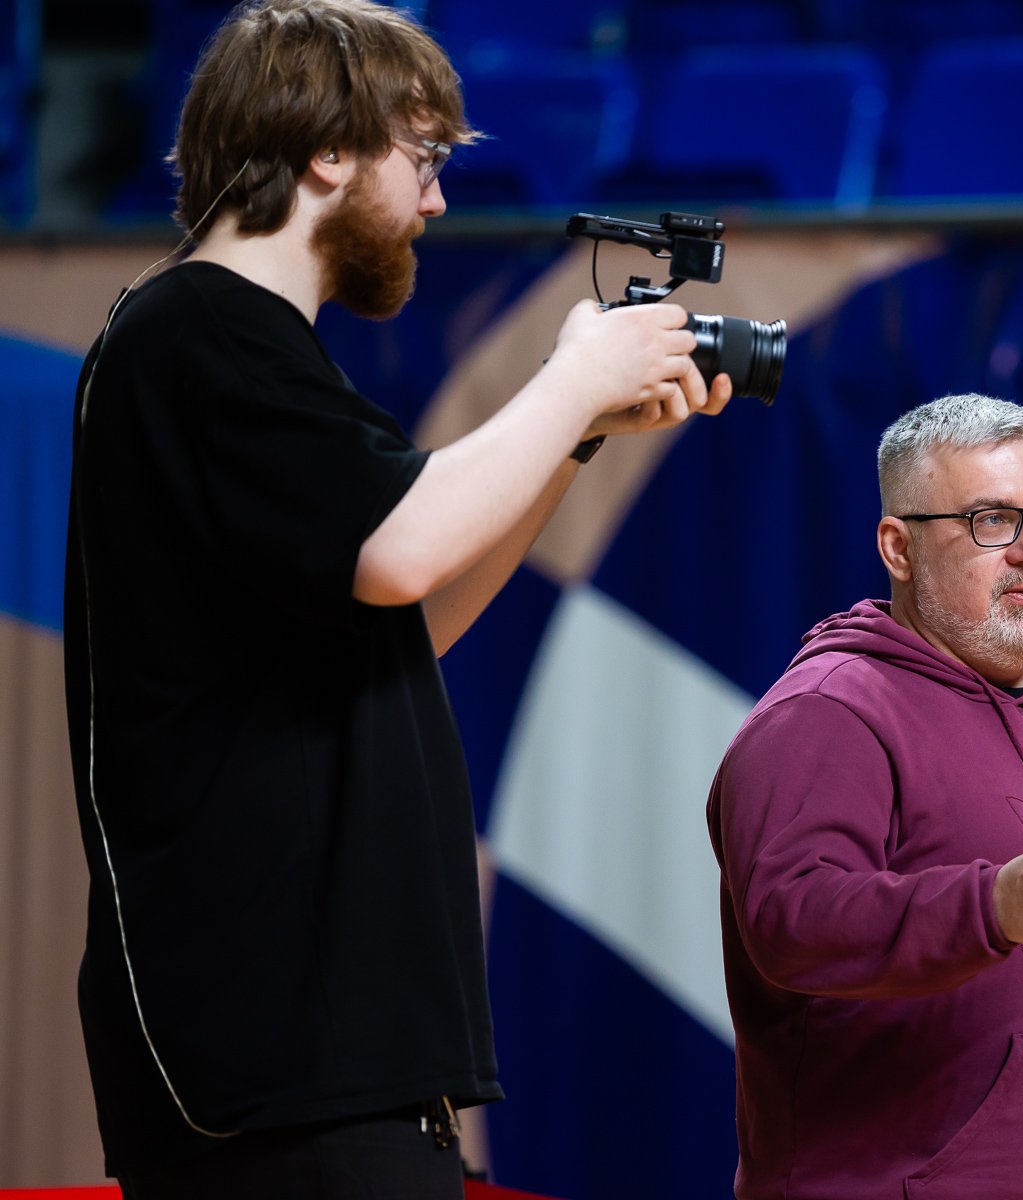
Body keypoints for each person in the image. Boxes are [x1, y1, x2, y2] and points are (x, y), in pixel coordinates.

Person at [62, 1, 730, 1194]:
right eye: (422, 158)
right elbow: (399, 551)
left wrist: (575, 432)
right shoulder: (200, 330)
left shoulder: (239, 347)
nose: (436, 201)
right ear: (329, 151)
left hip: (321, 1067)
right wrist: (571, 380)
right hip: (271, 1070)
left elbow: (408, 617)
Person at [706, 393, 1023, 1199]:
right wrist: (991, 906)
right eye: (991, 521)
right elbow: (789, 924)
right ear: (898, 548)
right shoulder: (827, 712)